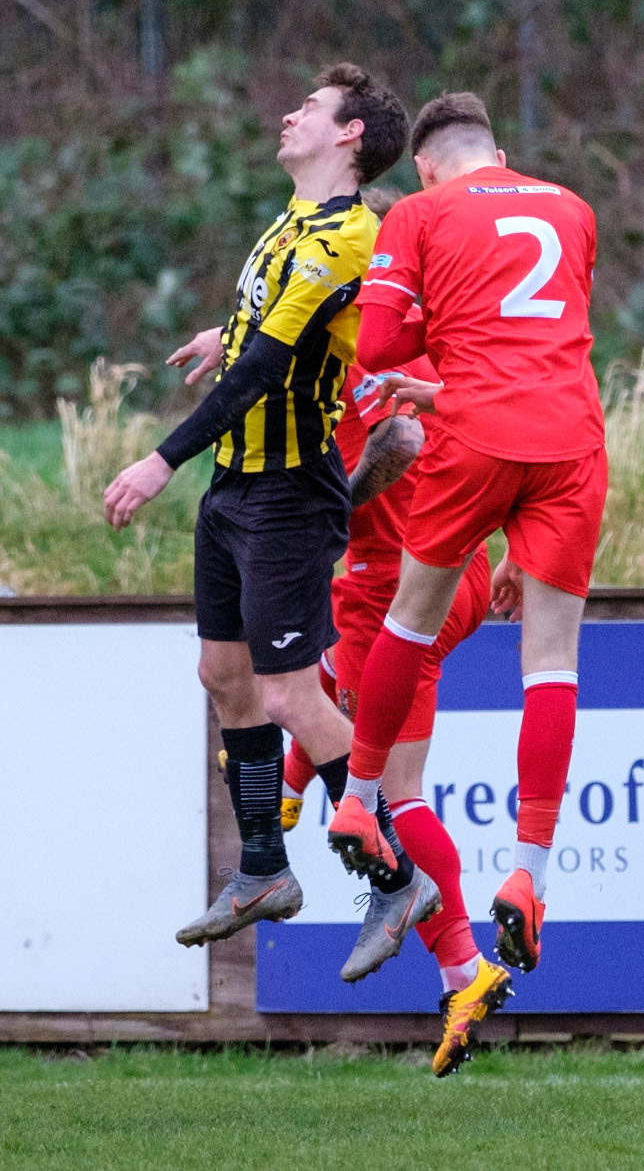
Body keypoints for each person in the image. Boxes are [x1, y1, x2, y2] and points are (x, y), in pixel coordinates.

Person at [103, 64, 440, 978]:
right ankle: (262, 868)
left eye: (313, 109)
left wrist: (159, 457)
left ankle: (395, 876)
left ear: (350, 141)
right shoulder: (292, 224)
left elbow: (263, 373)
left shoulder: (349, 237)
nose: (289, 112)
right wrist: (227, 329)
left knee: (293, 694)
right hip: (236, 489)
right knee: (224, 675)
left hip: (288, 492)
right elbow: (262, 331)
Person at [325, 90, 608, 977]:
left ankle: (360, 799)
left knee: (409, 620)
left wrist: (428, 351)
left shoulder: (417, 213)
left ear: (426, 163)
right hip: (571, 439)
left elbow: (375, 351)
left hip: (478, 438)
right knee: (552, 662)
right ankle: (530, 875)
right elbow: (537, 345)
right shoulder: (572, 208)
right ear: (495, 146)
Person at [281, 333, 513, 1076]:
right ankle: (286, 792)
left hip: (399, 586)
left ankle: (466, 970)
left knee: (392, 798)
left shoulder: (361, 346)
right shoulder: (420, 337)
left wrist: (329, 512)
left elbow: (406, 438)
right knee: (313, 684)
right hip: (450, 564)